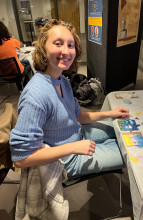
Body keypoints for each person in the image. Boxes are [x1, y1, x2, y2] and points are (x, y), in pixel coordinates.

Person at [10, 19, 129, 180]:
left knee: (122, 132)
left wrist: (110, 113)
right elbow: (21, 158)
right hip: (66, 161)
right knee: (132, 150)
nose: (66, 51)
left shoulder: (63, 80)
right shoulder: (35, 94)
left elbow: (78, 116)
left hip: (77, 134)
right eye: (58, 44)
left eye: (70, 45)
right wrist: (72, 148)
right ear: (43, 48)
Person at [0, 21, 31, 90]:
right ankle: (24, 87)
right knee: (29, 65)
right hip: (17, 73)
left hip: (2, 75)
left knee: (18, 64)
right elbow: (22, 45)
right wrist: (13, 39)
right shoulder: (11, 41)